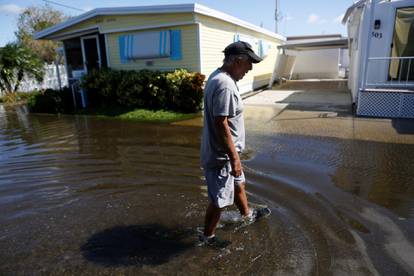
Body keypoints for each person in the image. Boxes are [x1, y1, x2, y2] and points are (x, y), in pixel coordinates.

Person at [199, 41, 264, 245]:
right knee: (219, 201)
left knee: (238, 185)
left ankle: (247, 215)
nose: (250, 68)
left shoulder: (218, 77)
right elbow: (221, 123)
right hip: (223, 156)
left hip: (226, 154)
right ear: (237, 61)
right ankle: (207, 237)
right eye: (249, 63)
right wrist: (234, 159)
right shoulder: (225, 85)